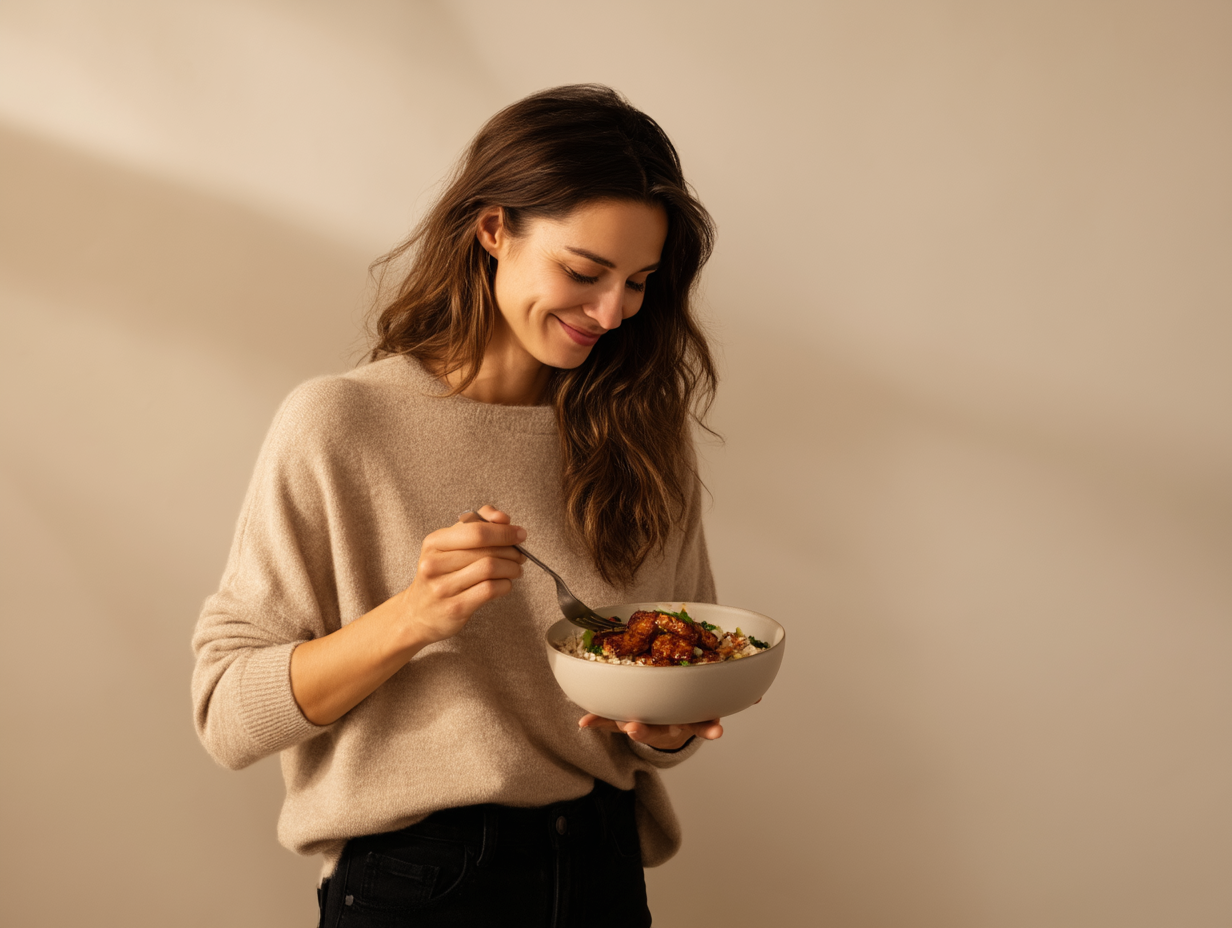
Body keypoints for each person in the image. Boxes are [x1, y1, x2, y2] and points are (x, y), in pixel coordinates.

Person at [192, 83, 722, 927]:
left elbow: (671, 684)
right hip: (417, 883)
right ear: (493, 228)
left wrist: (665, 728)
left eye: (638, 283)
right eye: (584, 272)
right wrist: (414, 615)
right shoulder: (342, 423)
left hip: (602, 870)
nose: (612, 311)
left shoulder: (643, 439)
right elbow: (226, 714)